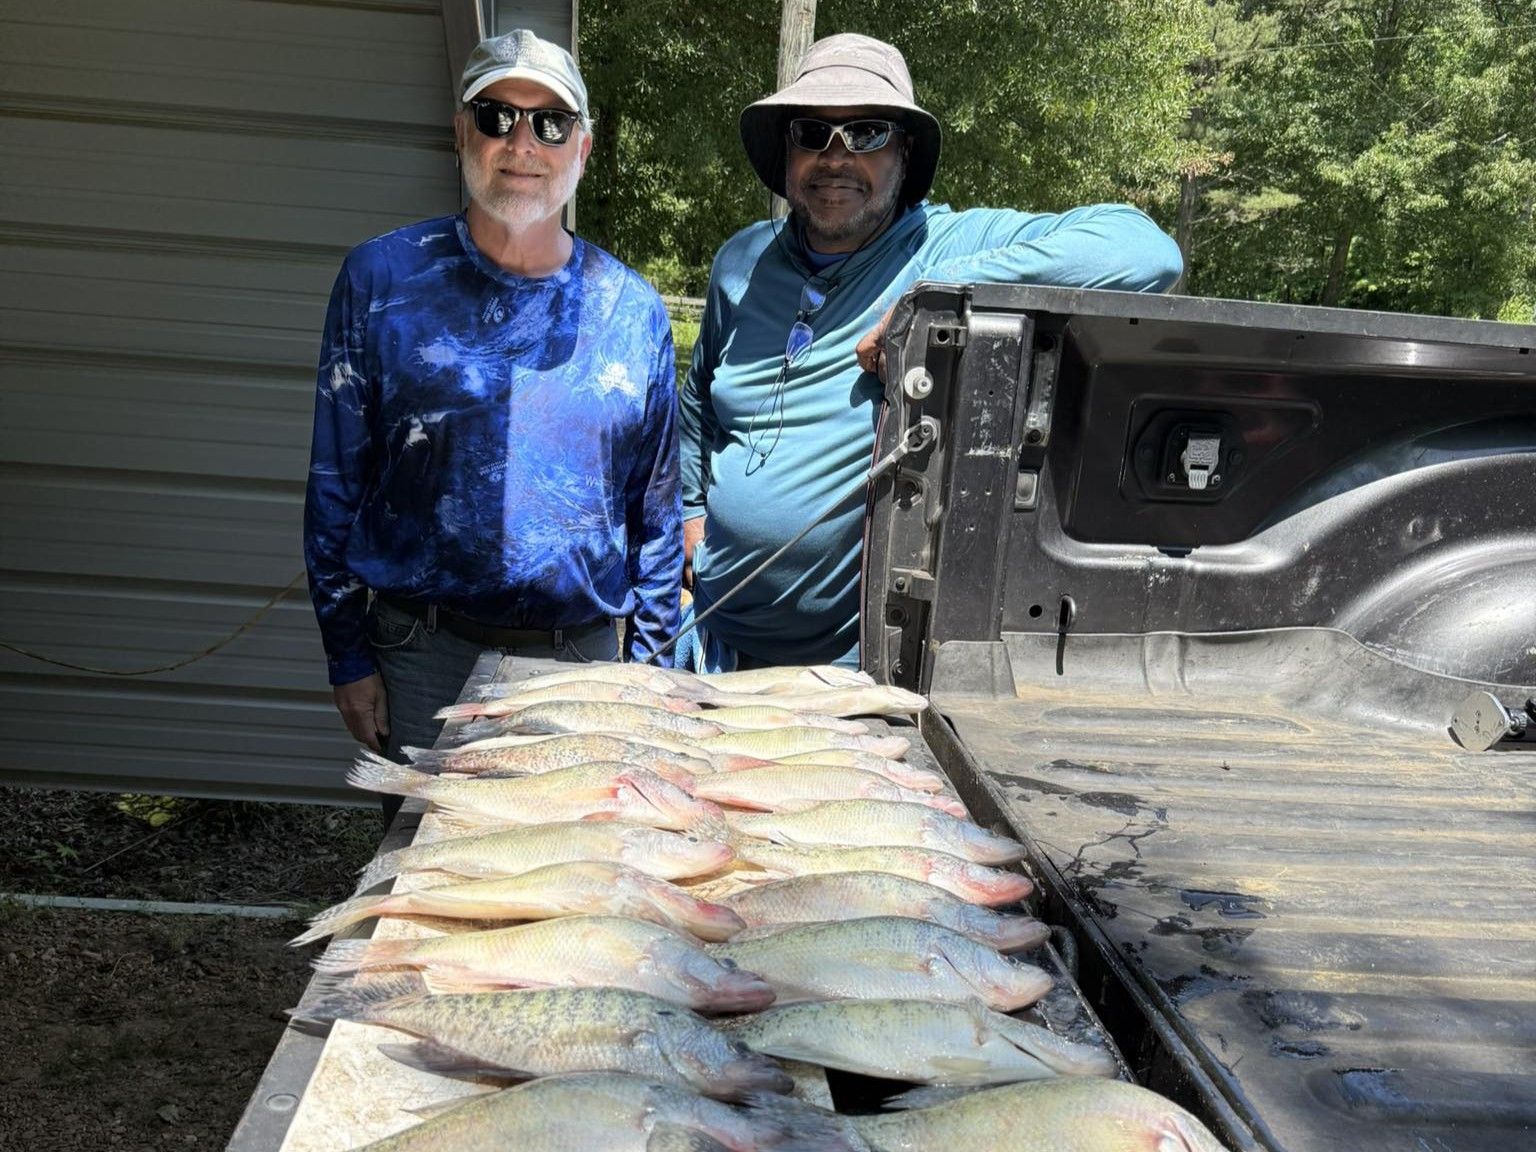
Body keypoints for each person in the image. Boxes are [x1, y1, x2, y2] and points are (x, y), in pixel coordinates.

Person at [679, 33, 1183, 670]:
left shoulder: (945, 246)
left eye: (866, 134)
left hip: (844, 670)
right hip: (709, 645)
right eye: (812, 132)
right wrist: (691, 520)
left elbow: (1143, 252)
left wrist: (931, 295)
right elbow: (699, 402)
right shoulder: (742, 263)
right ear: (787, 150)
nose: (835, 158)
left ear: (905, 150)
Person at [304, 29, 681, 764]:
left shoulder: (632, 310)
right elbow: (334, 484)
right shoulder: (380, 281)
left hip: (581, 664)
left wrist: (655, 677)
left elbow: (658, 516)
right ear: (460, 133)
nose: (521, 143)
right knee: (435, 871)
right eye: (495, 115)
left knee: (575, 874)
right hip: (422, 653)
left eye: (550, 122)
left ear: (583, 148)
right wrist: (346, 656)